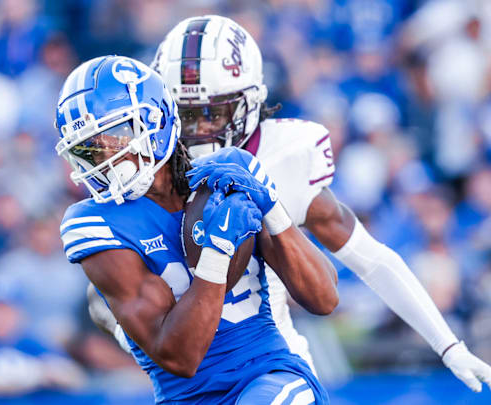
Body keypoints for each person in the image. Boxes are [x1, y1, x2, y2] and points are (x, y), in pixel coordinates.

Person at [146, 15, 491, 404]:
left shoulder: (282, 157)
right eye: (185, 115)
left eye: (213, 113)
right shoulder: (143, 169)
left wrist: (448, 346)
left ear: (249, 104)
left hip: (268, 370)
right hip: (187, 381)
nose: (199, 130)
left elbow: (370, 259)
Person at [55, 55, 338, 404]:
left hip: (267, 376)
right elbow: (180, 357)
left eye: (115, 137)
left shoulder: (230, 171)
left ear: (155, 121)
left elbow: (324, 299)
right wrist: (217, 254)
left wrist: (273, 211)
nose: (106, 160)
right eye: (90, 150)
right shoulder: (96, 223)